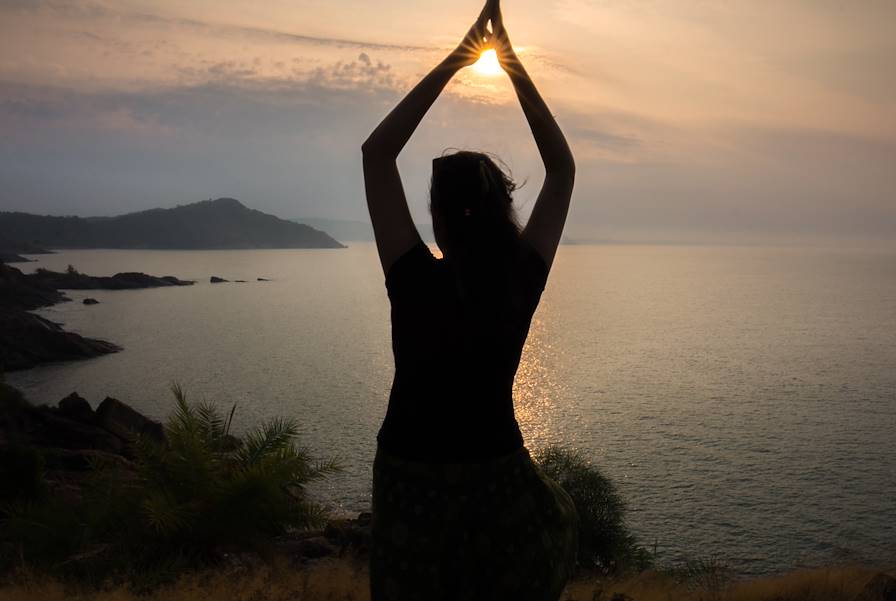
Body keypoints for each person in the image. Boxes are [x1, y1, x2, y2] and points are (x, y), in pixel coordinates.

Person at [362, 0, 577, 599]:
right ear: (501, 210)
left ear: (438, 219)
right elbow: (561, 171)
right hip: (496, 481)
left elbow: (376, 155)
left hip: (409, 479)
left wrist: (459, 60)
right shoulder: (518, 282)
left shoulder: (413, 280)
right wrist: (511, 65)